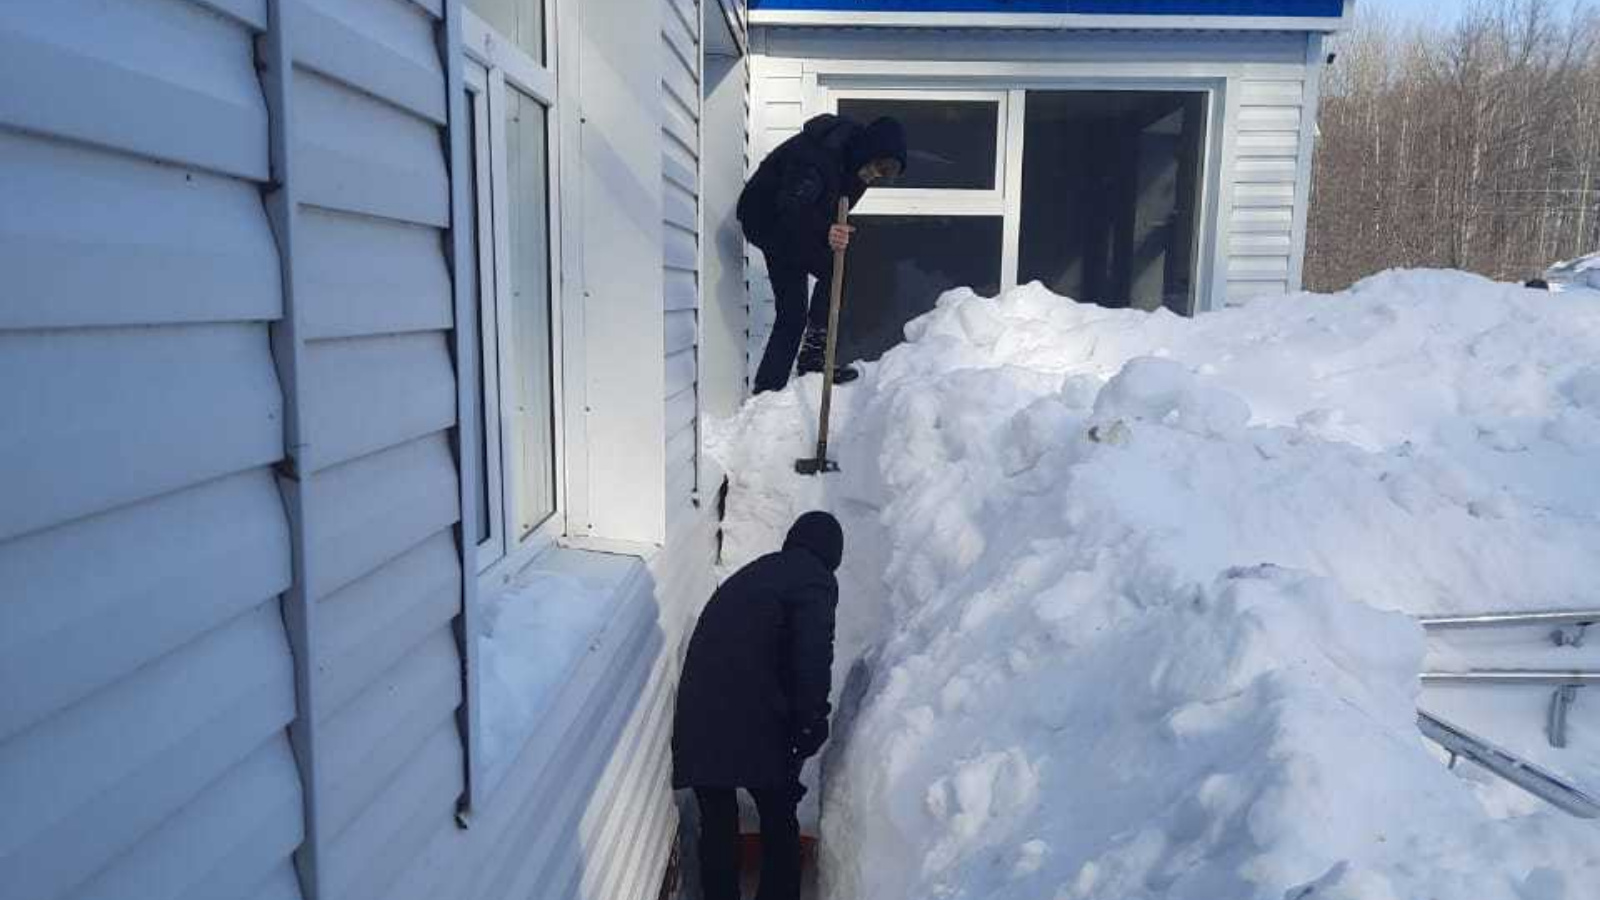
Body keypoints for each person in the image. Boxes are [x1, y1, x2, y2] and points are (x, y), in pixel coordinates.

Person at [672, 511, 844, 900]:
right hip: (749, 717)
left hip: (699, 715)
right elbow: (811, 657)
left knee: (717, 820)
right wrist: (809, 723)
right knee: (779, 810)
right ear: (831, 554)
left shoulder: (761, 573)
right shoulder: (814, 579)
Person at [738, 114, 908, 393]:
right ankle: (768, 391)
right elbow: (790, 206)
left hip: (797, 218)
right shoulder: (818, 158)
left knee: (837, 270)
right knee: (793, 311)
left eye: (888, 172)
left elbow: (829, 204)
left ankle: (815, 359)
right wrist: (825, 229)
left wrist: (829, 229)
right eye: (881, 166)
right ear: (870, 150)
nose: (879, 175)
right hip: (768, 220)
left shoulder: (858, 166)